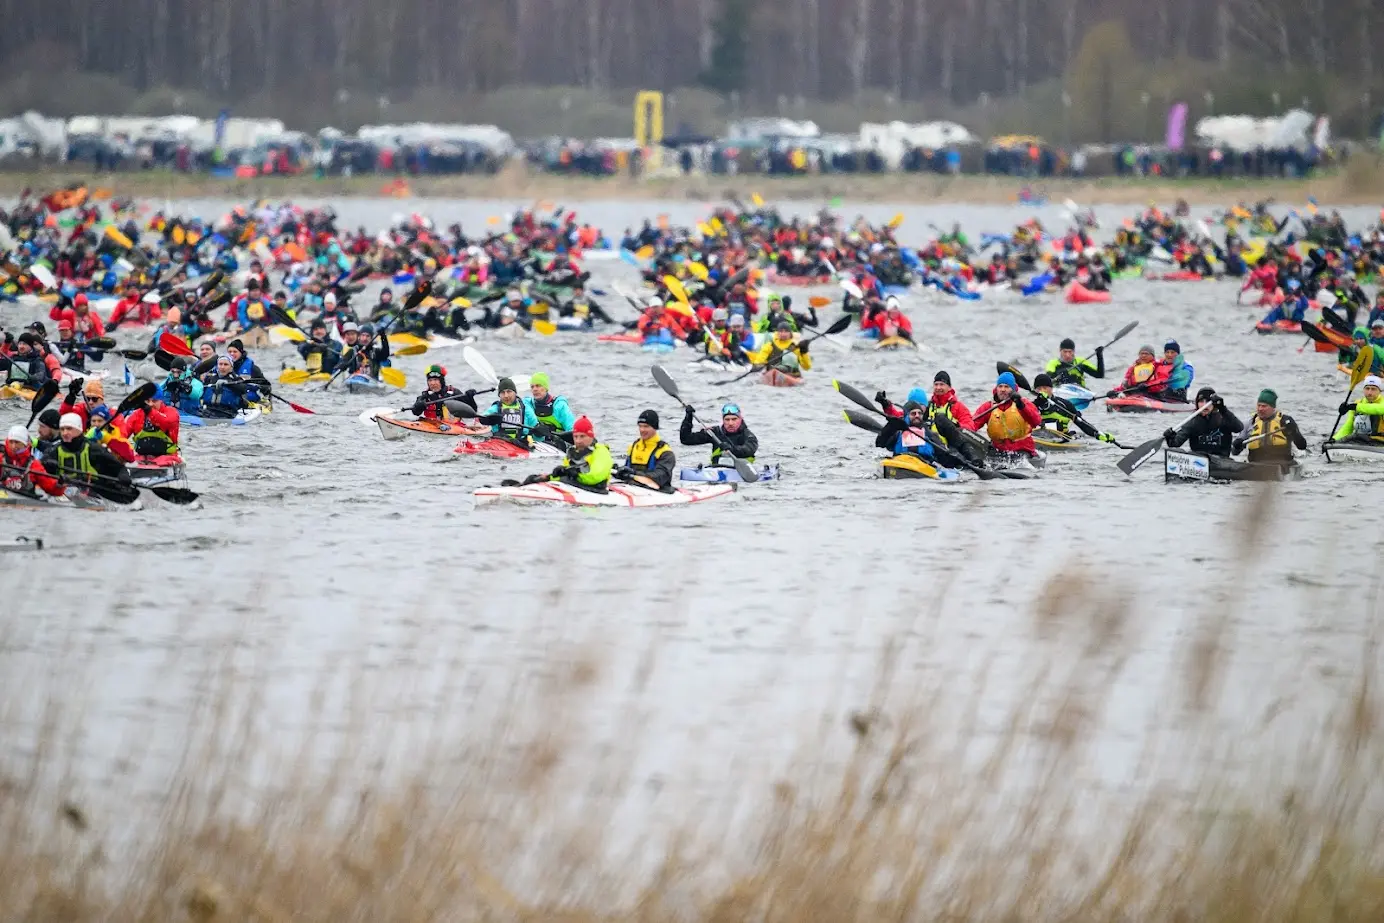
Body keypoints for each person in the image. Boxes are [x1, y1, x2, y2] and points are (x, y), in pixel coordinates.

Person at [42, 412, 133, 501]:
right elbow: (40, 467)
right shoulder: (53, 450)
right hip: (64, 494)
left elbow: (119, 468)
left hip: (93, 494)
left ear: (79, 429)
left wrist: (123, 476)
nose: (65, 433)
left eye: (69, 429)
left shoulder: (94, 449)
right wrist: (47, 464)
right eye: (62, 429)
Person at [525, 416, 613, 492]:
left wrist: (574, 474)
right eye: (575, 437)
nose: (578, 441)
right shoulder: (572, 451)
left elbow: (595, 477)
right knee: (532, 479)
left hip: (596, 490)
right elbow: (567, 476)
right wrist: (549, 477)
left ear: (591, 436)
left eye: (582, 436)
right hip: (574, 487)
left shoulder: (601, 451)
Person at [1032, 373, 1118, 443]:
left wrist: (1097, 434)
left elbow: (1081, 422)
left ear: (1051, 388)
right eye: (1039, 388)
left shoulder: (1064, 404)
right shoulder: (1031, 406)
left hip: (1061, 439)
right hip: (1038, 438)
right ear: (1035, 391)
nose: (1042, 391)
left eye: (1045, 388)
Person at [973, 371, 1043, 457]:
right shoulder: (988, 407)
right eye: (1000, 386)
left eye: (1006, 387)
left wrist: (1022, 406)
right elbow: (973, 424)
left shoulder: (1023, 403)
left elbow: (1036, 421)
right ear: (996, 389)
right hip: (998, 449)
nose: (1003, 390)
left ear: (1013, 389)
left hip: (1022, 449)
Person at [1232, 388, 1305, 465]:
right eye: (1258, 405)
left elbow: (1302, 446)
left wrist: (1294, 431)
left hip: (1282, 464)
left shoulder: (1285, 421)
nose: (1260, 409)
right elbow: (1234, 453)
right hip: (1255, 465)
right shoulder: (1250, 423)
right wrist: (1237, 446)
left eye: (1264, 406)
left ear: (1273, 408)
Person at [1163, 387, 1242, 456]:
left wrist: (1223, 409)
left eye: (1207, 401)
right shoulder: (1193, 421)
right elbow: (1175, 444)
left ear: (1214, 404)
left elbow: (1239, 428)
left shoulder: (1224, 417)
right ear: (1197, 404)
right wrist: (1170, 437)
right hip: (1198, 461)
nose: (1204, 405)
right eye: (1201, 401)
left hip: (1221, 460)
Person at [613, 409, 676, 491]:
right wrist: (617, 471)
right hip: (632, 487)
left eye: (646, 426)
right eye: (640, 426)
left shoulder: (665, 452)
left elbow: (659, 477)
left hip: (657, 490)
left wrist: (634, 473)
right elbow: (627, 471)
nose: (642, 430)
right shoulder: (633, 447)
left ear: (655, 428)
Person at [680, 402, 759, 465]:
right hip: (717, 472)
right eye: (727, 420)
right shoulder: (715, 432)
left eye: (734, 419)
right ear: (723, 420)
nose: (730, 423)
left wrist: (731, 449)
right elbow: (686, 439)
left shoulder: (749, 435)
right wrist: (688, 418)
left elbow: (748, 450)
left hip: (743, 473)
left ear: (740, 419)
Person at [2, 424, 63, 497]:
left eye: (17, 442)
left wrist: (60, 484)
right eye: (11, 442)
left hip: (25, 503)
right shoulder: (1, 459)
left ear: (25, 444)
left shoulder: (34, 465)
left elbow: (51, 489)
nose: (13, 446)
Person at [476, 377, 539, 444]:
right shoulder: (495, 408)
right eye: (503, 392)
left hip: (521, 444)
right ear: (499, 395)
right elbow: (480, 420)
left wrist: (539, 432)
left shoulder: (525, 409)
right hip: (499, 442)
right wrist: (486, 420)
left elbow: (537, 431)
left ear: (515, 393)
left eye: (509, 391)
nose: (506, 395)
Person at [874, 399, 939, 462]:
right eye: (913, 413)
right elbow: (880, 443)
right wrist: (891, 425)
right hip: (901, 464)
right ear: (906, 416)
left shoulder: (929, 434)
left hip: (924, 466)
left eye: (920, 413)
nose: (917, 415)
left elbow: (943, 458)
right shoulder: (898, 433)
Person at [120, 393, 181, 460]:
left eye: (154, 401)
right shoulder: (136, 414)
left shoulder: (172, 412)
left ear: (161, 400)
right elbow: (122, 436)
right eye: (147, 401)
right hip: (141, 458)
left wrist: (149, 411)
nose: (151, 404)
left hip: (168, 458)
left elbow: (166, 421)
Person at [524, 372, 577, 444]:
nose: (535, 389)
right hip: (535, 445)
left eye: (538, 386)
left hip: (558, 445)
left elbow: (572, 429)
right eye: (532, 387)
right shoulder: (528, 405)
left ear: (546, 388)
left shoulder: (559, 406)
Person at [1331, 375, 1384, 444]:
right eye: (1367, 388)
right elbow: (1348, 426)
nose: (1369, 392)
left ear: (1379, 391)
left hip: (1380, 441)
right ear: (1363, 390)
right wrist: (1334, 439)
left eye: (1373, 389)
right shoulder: (1358, 403)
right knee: (1338, 442)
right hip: (1360, 439)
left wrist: (1355, 407)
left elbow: (1378, 409)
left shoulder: (1382, 403)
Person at [410, 366, 476, 420]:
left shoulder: (454, 393)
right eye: (430, 380)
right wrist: (418, 406)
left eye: (435, 380)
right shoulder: (425, 396)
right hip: (431, 424)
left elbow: (473, 410)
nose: (432, 383)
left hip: (453, 426)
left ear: (441, 381)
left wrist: (470, 398)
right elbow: (415, 413)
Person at [747, 322, 812, 375]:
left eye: (786, 331)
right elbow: (760, 359)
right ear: (777, 333)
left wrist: (804, 351)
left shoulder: (795, 346)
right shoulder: (770, 345)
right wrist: (757, 365)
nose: (783, 334)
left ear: (790, 333)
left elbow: (807, 367)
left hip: (791, 375)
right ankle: (776, 369)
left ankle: (781, 368)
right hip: (772, 373)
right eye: (781, 331)